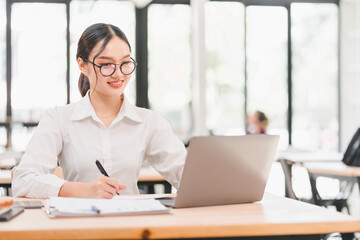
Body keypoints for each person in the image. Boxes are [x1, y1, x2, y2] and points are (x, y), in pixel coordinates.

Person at [12, 23, 187, 199]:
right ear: (82, 65)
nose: (118, 74)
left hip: (133, 221)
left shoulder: (148, 122)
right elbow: (23, 180)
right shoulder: (58, 119)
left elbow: (187, 175)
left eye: (125, 63)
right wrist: (81, 190)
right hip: (79, 221)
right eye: (106, 65)